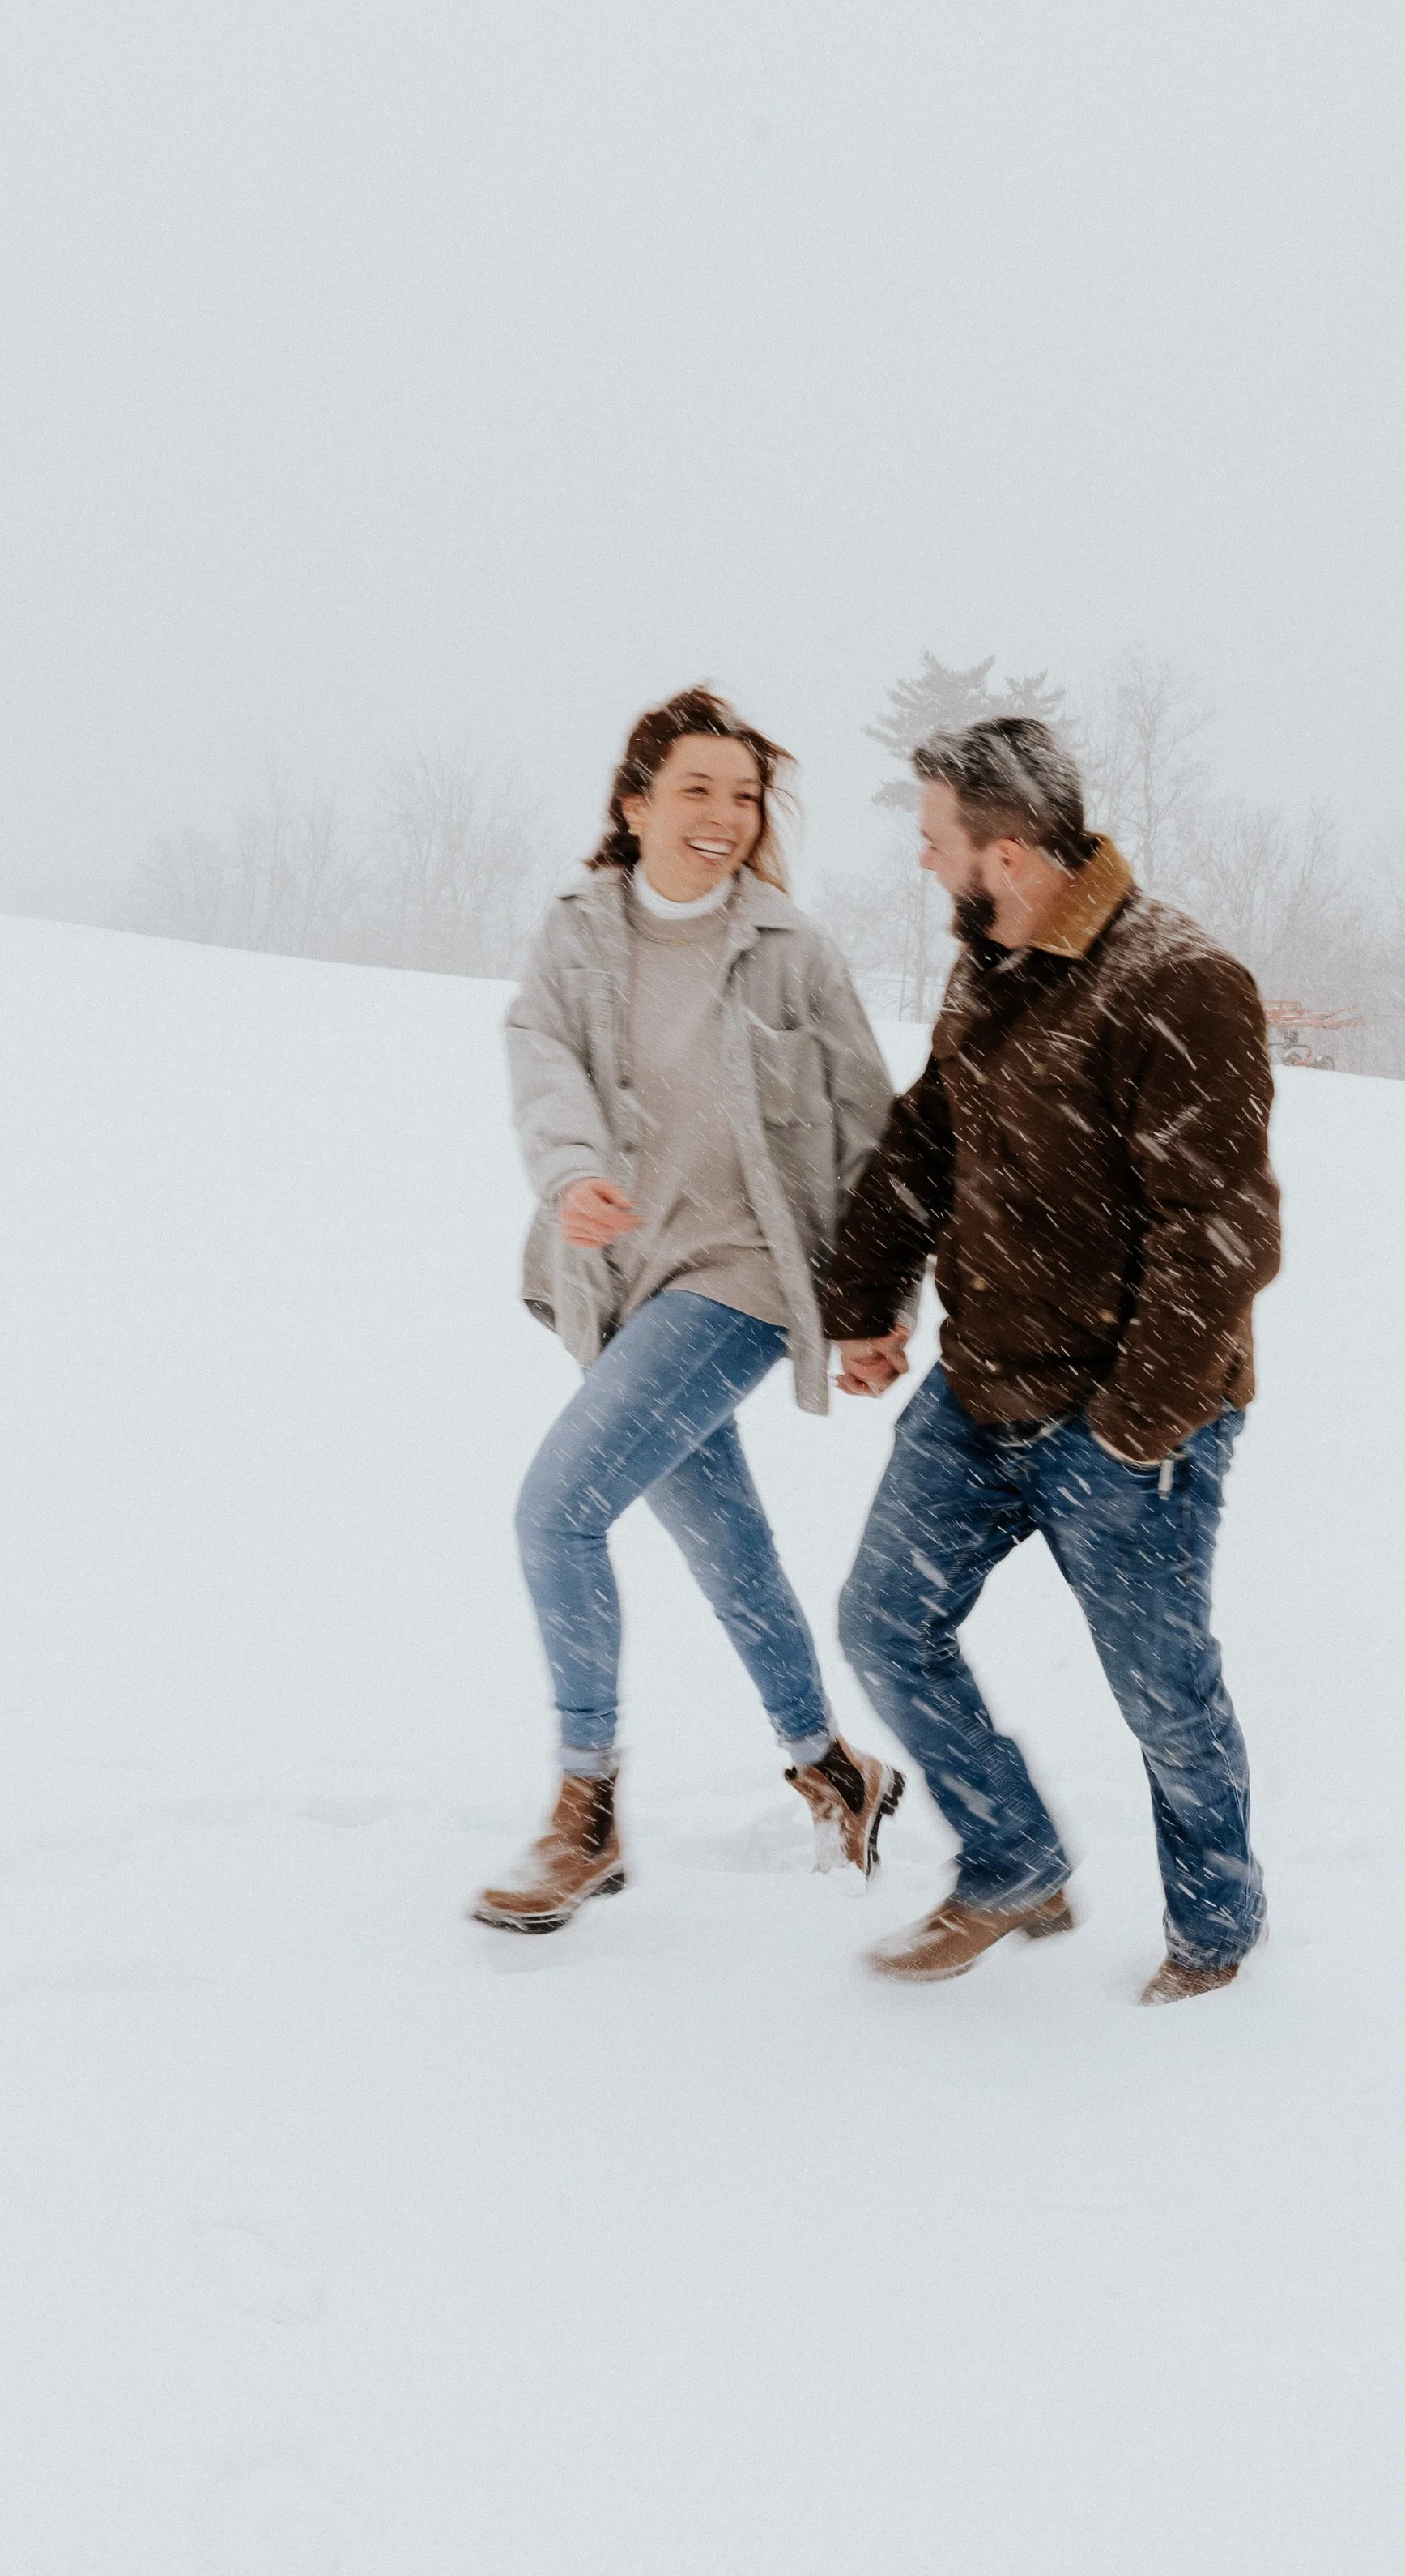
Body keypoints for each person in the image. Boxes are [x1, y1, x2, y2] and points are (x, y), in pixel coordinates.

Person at [823, 715, 1281, 2002]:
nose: (925, 863)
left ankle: (1214, 1931)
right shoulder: (994, 964)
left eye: (935, 841)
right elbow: (926, 1144)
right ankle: (1013, 1856)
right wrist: (865, 1298)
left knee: (1164, 1694)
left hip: (1131, 1418)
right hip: (984, 1391)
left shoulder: (1178, 981)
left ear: (1009, 852)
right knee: (883, 1623)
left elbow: (1221, 1234)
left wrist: (1135, 1429)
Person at [474, 686, 905, 1933]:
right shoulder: (577, 932)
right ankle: (835, 1766)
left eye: (745, 795)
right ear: (635, 804)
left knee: (557, 1513)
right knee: (731, 1550)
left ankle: (587, 1809)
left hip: (746, 1281)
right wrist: (569, 1176)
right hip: (620, 1287)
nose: (724, 817)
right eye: (697, 791)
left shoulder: (791, 950)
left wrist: (874, 1307)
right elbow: (539, 1054)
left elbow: (876, 1132)